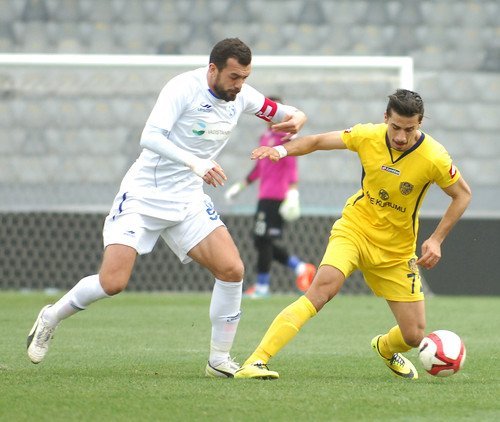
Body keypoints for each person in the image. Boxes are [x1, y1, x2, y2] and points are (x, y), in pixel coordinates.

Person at [26, 38, 307, 378]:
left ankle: (218, 360)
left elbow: (287, 113)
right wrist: (196, 164)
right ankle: (50, 317)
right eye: (233, 77)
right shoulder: (182, 88)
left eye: (245, 77)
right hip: (144, 195)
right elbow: (151, 137)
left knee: (232, 270)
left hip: (187, 199)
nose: (239, 85)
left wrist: (298, 117)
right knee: (113, 282)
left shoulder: (243, 96)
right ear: (213, 69)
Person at [234, 89, 472, 380]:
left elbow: (462, 195)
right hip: (354, 230)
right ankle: (256, 361)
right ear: (386, 118)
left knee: (413, 335)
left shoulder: (434, 156)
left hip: (396, 252)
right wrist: (281, 150)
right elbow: (318, 141)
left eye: (409, 130)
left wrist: (436, 239)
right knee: (322, 290)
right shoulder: (367, 135)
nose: (400, 136)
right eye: (395, 127)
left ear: (419, 124)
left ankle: (385, 348)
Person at [225, 99, 316, 298]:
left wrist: (293, 193)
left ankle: (262, 286)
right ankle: (301, 268)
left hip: (278, 198)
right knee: (260, 240)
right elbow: (260, 167)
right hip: (264, 197)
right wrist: (242, 185)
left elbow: (292, 165)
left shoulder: (286, 138)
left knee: (263, 239)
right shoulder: (265, 137)